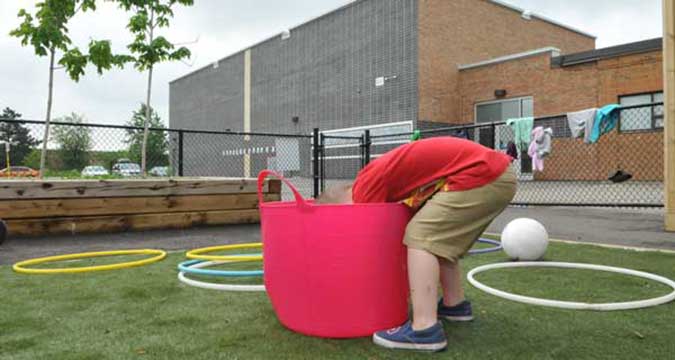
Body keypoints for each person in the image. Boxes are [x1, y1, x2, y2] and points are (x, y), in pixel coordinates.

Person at [316, 136, 516, 352]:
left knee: (422, 236)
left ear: (343, 204)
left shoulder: (363, 187)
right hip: (493, 174)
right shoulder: (382, 178)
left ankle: (424, 330)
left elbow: (368, 238)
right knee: (437, 240)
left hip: (482, 175)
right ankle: (454, 305)